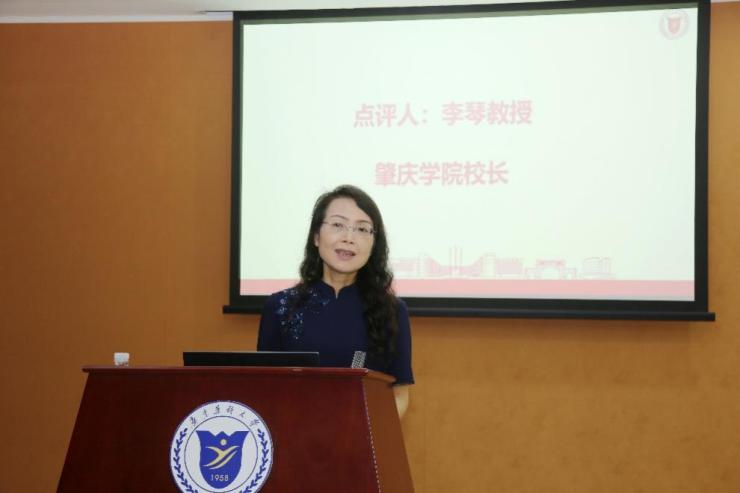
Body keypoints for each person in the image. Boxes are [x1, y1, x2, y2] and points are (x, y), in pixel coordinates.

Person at [257, 185, 413, 418]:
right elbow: (264, 389)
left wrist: (362, 431)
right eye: (338, 225)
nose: (349, 238)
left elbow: (399, 395)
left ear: (374, 244)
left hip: (359, 437)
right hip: (292, 434)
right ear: (316, 236)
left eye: (362, 229)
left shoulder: (392, 311)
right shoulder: (279, 307)